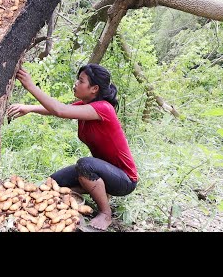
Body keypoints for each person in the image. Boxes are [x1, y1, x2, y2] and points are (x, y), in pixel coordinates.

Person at [7, 63, 138, 230]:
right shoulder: (85, 105)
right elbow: (59, 110)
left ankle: (105, 213)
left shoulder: (103, 108)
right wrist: (29, 108)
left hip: (124, 179)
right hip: (102, 171)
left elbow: (60, 110)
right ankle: (98, 192)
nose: (76, 83)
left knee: (85, 164)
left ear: (94, 88)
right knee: (51, 185)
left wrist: (31, 86)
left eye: (81, 81)